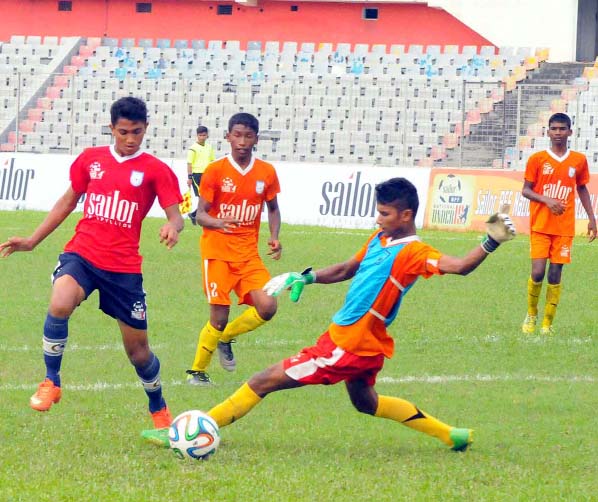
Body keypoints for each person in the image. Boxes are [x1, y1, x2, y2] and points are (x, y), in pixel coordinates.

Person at [143, 177, 516, 450]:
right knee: (365, 403)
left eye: (384, 213)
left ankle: (189, 432)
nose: (377, 218)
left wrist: (490, 241)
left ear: (405, 215)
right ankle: (451, 435)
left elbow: (460, 265)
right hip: (363, 344)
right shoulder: (380, 238)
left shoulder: (414, 252)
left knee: (262, 380)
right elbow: (346, 269)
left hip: (348, 345)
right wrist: (305, 276)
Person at [0, 96, 184, 433]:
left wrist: (173, 226)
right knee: (59, 302)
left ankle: (158, 406)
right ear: (112, 128)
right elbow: (68, 201)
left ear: (146, 129)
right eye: (124, 132)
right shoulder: (91, 160)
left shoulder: (156, 170)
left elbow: (176, 215)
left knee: (139, 353)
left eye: (138, 132)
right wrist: (31, 240)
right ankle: (50, 381)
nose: (130, 139)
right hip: (82, 254)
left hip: (124, 269)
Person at [185, 112, 282, 386]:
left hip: (248, 254)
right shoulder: (216, 171)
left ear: (256, 139)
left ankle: (227, 337)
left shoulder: (266, 172)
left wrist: (274, 237)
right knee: (218, 315)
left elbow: (273, 209)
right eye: (236, 135)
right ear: (228, 137)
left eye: (248, 136)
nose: (242, 141)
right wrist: (218, 222)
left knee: (268, 306)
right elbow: (199, 214)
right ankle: (197, 372)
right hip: (217, 252)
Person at [521, 112, 596, 335]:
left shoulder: (578, 160)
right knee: (537, 272)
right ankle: (531, 314)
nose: (558, 133)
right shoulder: (537, 159)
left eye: (562, 129)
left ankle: (547, 323)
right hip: (541, 225)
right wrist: (546, 200)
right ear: (547, 132)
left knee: (555, 273)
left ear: (570, 132)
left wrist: (592, 219)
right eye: (554, 129)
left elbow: (581, 188)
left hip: (564, 228)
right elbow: (525, 190)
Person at [186, 125, 215, 225]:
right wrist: (189, 177)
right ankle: (197, 216)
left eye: (204, 135)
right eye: (200, 135)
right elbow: (189, 163)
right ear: (197, 136)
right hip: (196, 175)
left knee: (207, 197)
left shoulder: (209, 147)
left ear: (207, 135)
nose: (202, 137)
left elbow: (212, 161)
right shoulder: (193, 149)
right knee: (203, 197)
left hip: (207, 174)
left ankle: (194, 215)